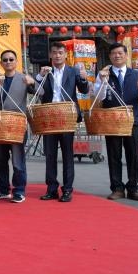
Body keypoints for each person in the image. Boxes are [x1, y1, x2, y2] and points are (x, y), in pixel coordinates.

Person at [93, 43, 138, 201]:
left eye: (120, 53)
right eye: (113, 53)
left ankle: (133, 187)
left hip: (132, 121)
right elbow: (98, 97)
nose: (117, 56)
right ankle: (117, 188)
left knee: (133, 155)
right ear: (110, 56)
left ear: (126, 55)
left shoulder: (137, 74)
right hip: (112, 121)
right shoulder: (104, 74)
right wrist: (103, 82)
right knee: (114, 155)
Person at [35, 41, 89, 203]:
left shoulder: (73, 71)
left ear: (66, 55)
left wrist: (84, 79)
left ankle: (67, 189)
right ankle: (51, 189)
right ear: (50, 55)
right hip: (49, 117)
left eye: (60, 52)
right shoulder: (45, 72)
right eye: (54, 52)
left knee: (67, 154)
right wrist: (39, 76)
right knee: (50, 154)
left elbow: (84, 90)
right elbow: (35, 90)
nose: (57, 55)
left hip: (67, 117)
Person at [0, 50, 35, 203]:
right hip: (0, 125)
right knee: (0, 160)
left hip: (16, 125)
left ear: (16, 62)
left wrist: (33, 83)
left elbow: (39, 92)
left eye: (11, 59)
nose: (8, 62)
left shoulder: (23, 78)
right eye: (5, 60)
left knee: (17, 160)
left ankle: (19, 190)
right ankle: (3, 189)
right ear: (1, 63)